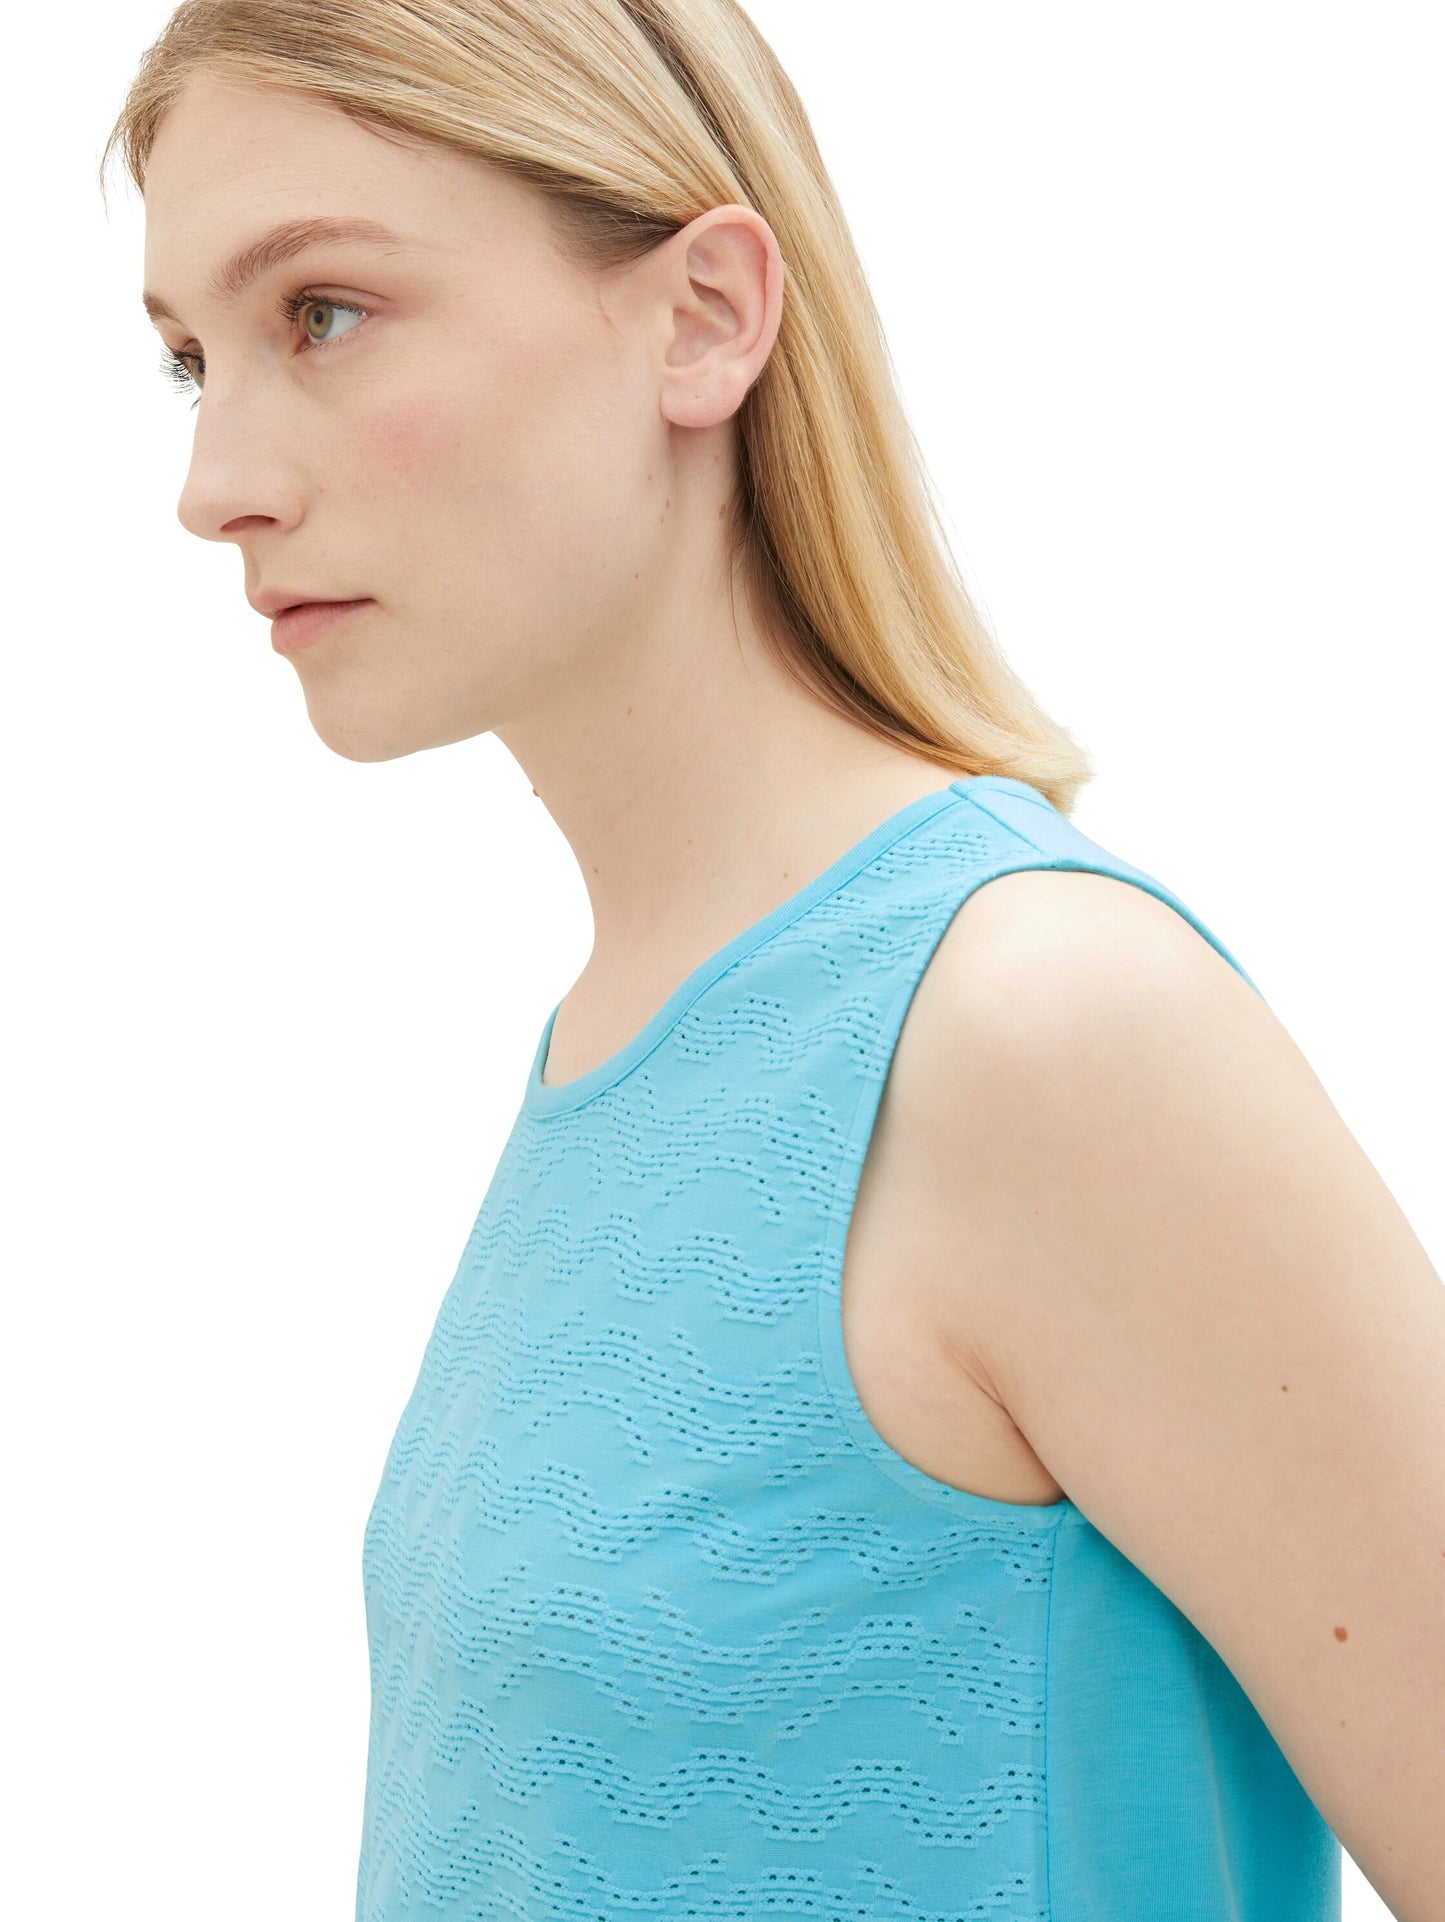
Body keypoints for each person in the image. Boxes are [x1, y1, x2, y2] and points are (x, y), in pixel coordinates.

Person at [102, 4, 1442, 1918]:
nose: (212, 477)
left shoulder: (1036, 1027)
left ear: (703, 317)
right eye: (187, 359)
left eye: (321, 313)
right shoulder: (613, 1048)